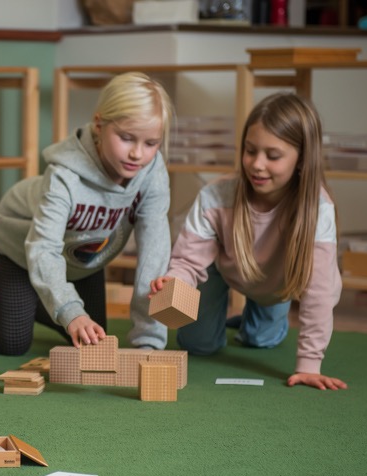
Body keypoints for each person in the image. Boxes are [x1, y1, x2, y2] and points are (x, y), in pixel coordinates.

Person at [149, 92, 347, 390]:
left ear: (302, 158)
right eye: (250, 151)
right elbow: (189, 261)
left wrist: (309, 363)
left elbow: (318, 293)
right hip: (224, 269)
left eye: (273, 155)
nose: (257, 164)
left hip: (278, 282)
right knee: (197, 344)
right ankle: (232, 315)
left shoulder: (318, 209)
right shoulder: (216, 196)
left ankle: (258, 319)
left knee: (261, 340)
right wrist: (173, 283)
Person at [0, 71, 175, 355]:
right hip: (22, 247)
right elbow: (42, 250)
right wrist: (70, 311)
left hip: (85, 257)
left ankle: (41, 299)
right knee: (13, 343)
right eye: (126, 138)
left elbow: (154, 251)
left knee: (93, 337)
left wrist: (148, 340)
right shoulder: (63, 176)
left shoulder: (152, 173)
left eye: (151, 143)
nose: (138, 154)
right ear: (100, 125)